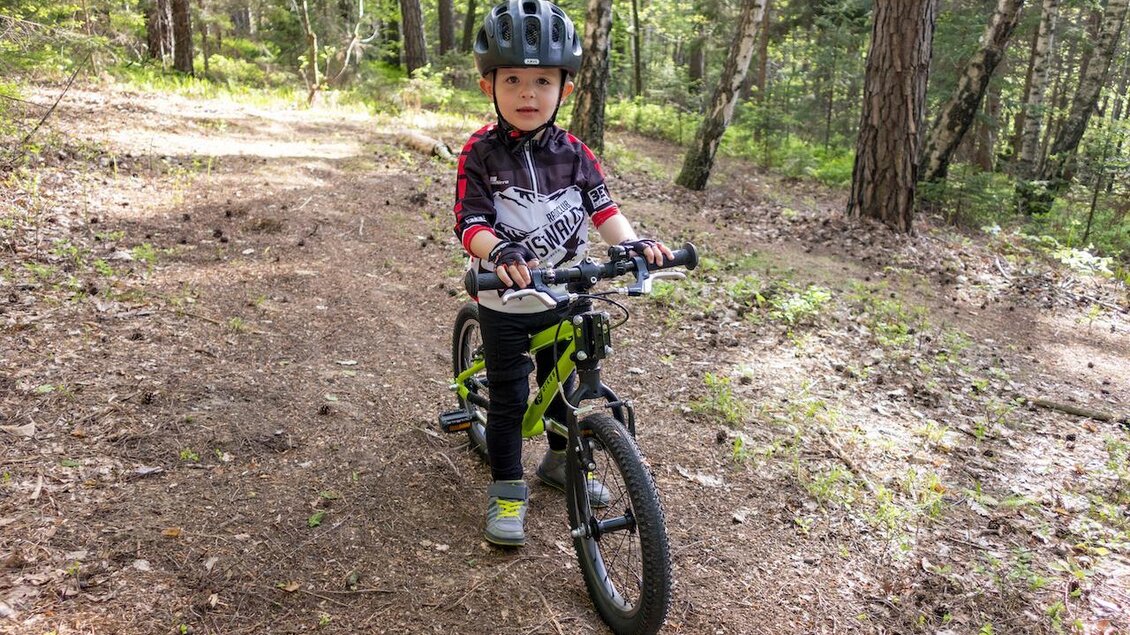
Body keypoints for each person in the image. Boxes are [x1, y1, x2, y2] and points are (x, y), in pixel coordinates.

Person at [453, 0, 673, 547]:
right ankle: (507, 488)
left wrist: (635, 243)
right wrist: (499, 253)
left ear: (564, 90)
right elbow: (470, 220)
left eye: (543, 81)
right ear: (490, 87)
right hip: (503, 300)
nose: (528, 94)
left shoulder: (576, 153)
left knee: (563, 387)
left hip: (565, 294)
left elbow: (604, 210)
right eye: (514, 80)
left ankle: (557, 460)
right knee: (508, 397)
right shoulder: (479, 152)